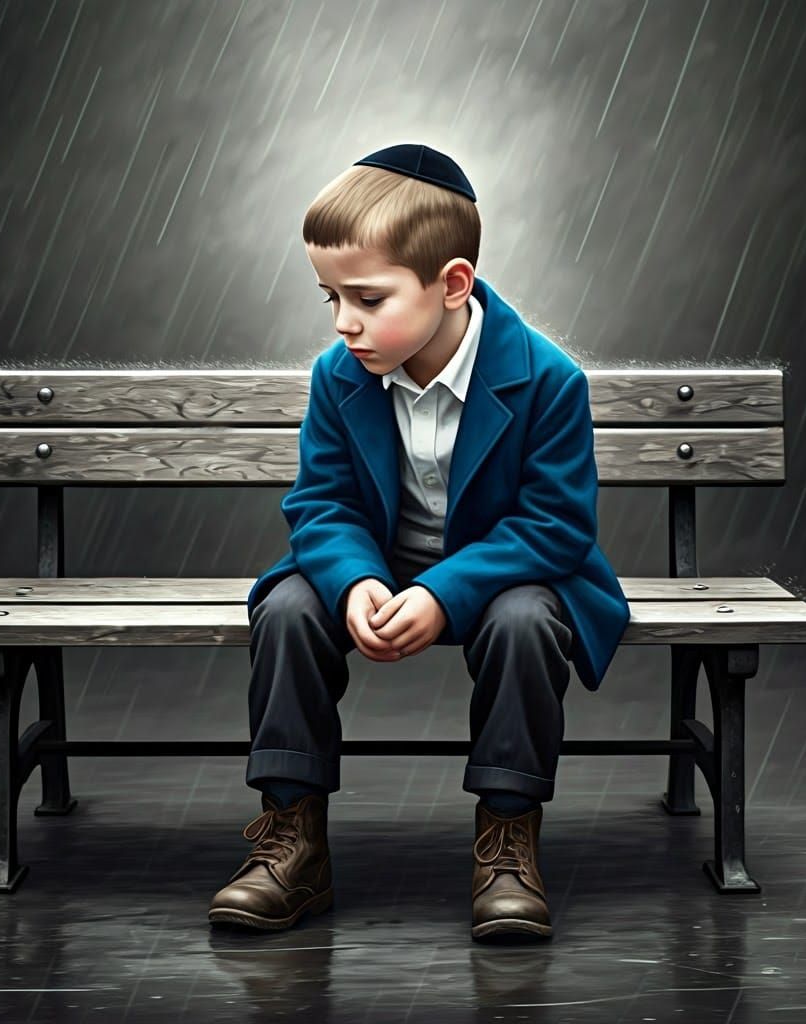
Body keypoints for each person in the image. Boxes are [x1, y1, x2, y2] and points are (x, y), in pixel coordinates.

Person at [207, 143, 630, 942]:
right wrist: (355, 580)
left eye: (366, 297)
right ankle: (293, 838)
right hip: (382, 562)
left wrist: (445, 593)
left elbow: (556, 526)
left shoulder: (547, 379)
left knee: (526, 622)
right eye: (329, 296)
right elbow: (322, 503)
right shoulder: (340, 377)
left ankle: (508, 839)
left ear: (453, 285)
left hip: (510, 571)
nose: (343, 322)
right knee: (291, 605)